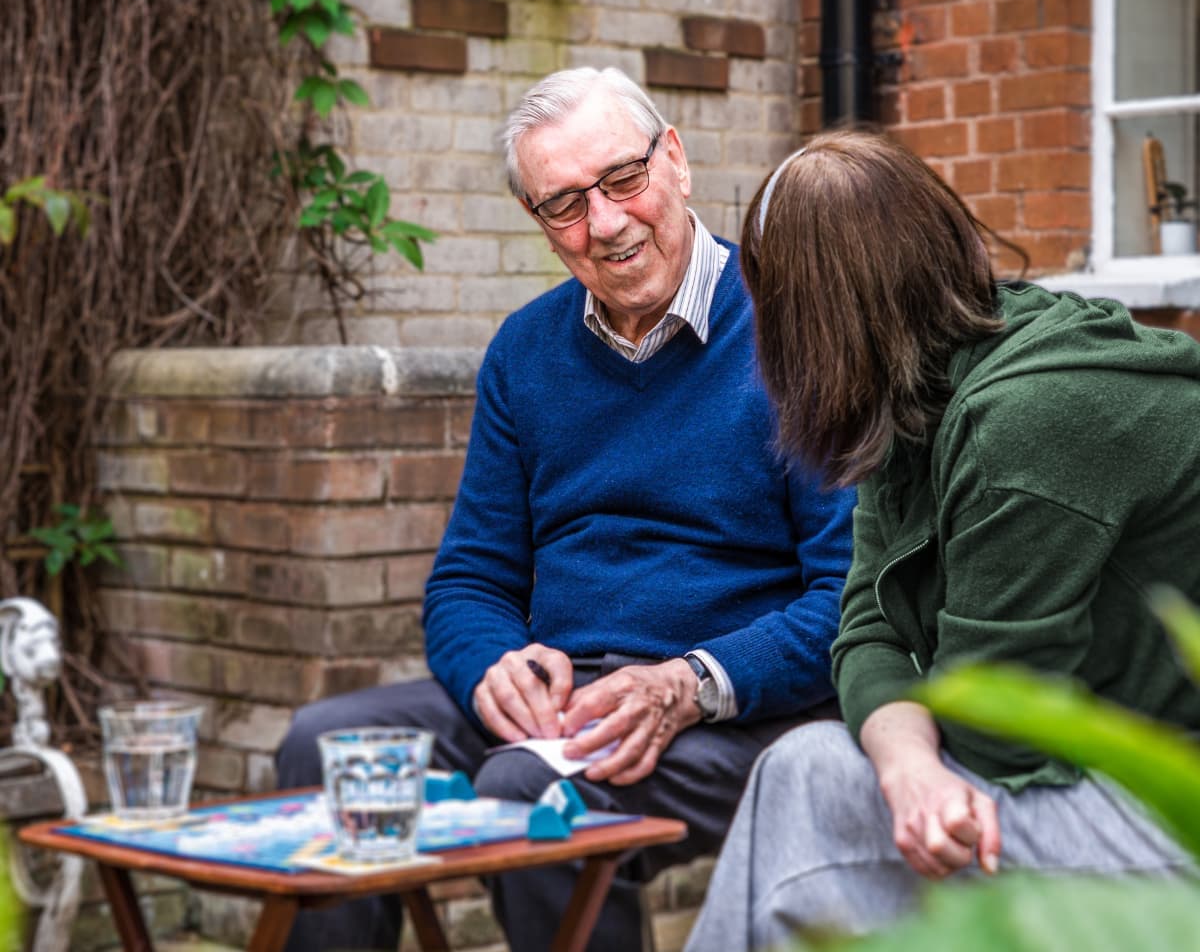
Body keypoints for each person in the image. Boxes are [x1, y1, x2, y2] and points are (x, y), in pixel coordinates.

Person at [275, 67, 856, 952]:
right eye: (566, 204)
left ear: (676, 160)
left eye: (624, 180)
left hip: (735, 709)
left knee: (529, 796)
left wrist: (688, 683)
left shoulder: (794, 328)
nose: (608, 224)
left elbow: (848, 595)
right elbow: (470, 578)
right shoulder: (525, 351)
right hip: (561, 705)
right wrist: (488, 668)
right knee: (327, 748)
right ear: (540, 225)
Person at [685, 129, 1200, 952]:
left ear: (808, 320)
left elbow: (999, 728)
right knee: (816, 769)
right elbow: (865, 630)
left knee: (812, 781)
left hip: (1174, 819)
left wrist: (910, 755)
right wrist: (907, 765)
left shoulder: (1027, 425)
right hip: (1098, 782)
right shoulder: (924, 389)